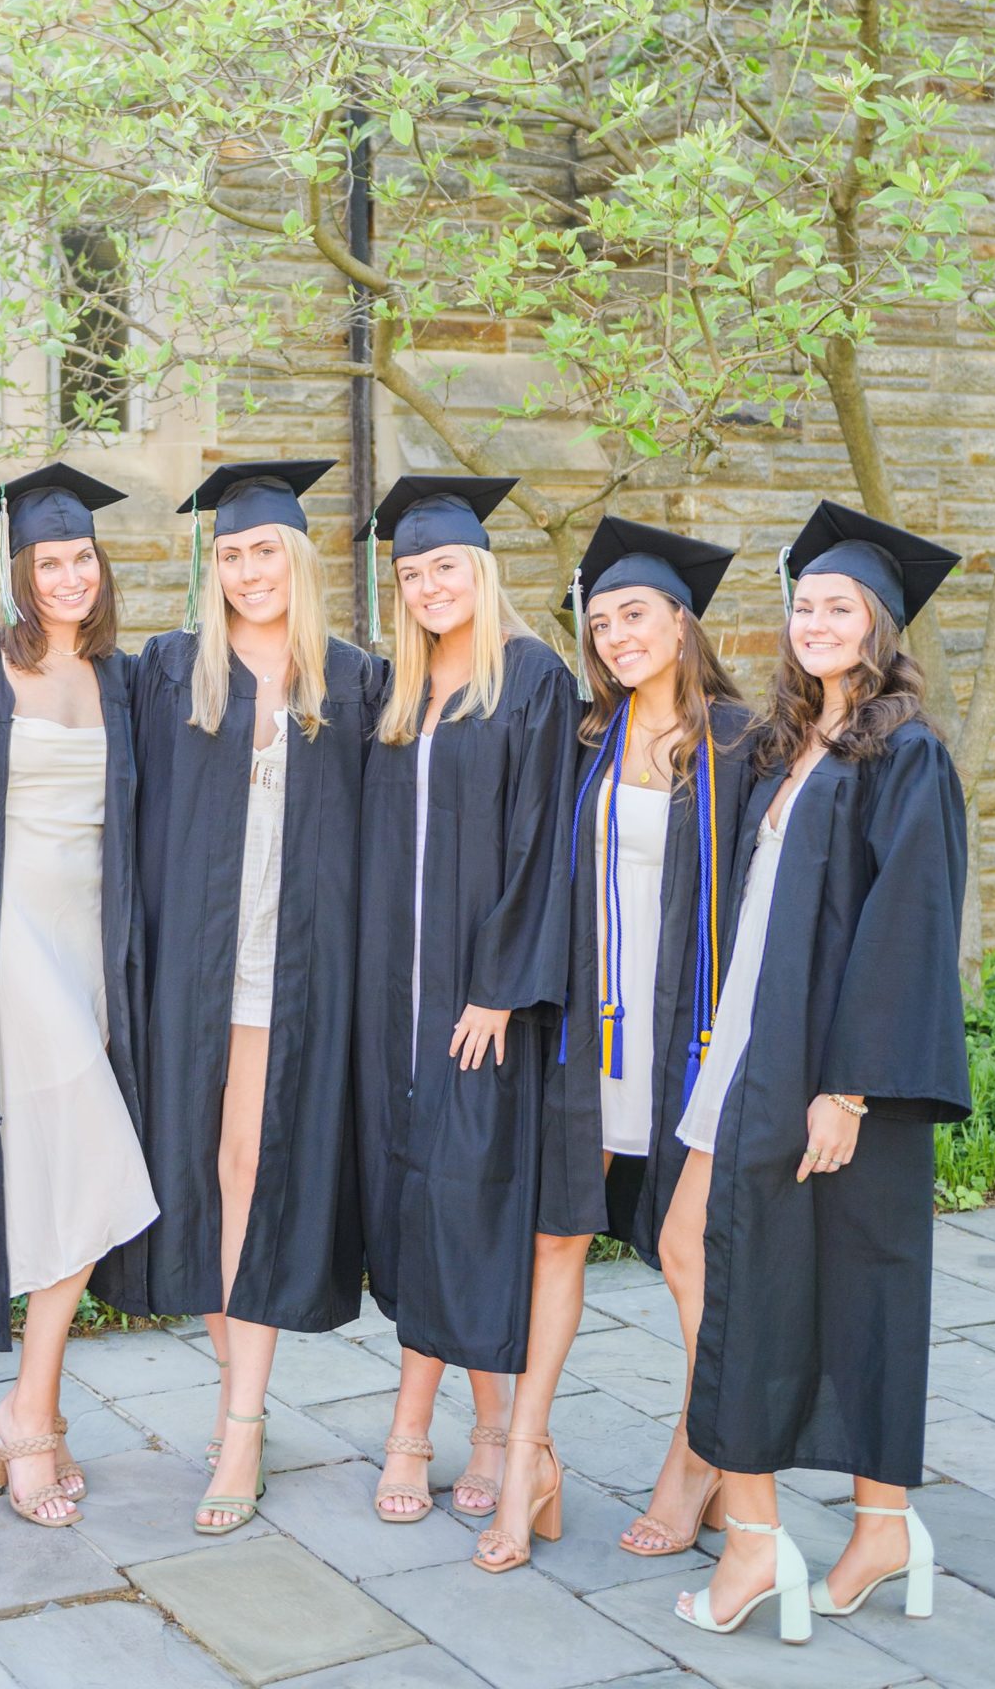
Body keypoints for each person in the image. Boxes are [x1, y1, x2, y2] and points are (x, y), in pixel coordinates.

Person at [666, 500, 970, 1645]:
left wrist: (846, 1086)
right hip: (752, 1045)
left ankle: (778, 1539)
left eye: (837, 606)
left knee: (813, 1271)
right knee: (741, 1256)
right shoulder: (790, 743)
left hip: (827, 1067)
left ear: (880, 623)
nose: (814, 622)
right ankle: (840, 1525)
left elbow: (908, 924)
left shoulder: (903, 753)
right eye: (801, 605)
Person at [477, 515, 754, 1573]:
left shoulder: (741, 742)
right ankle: (522, 1461)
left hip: (693, 1040)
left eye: (632, 615)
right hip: (590, 1042)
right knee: (553, 1238)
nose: (614, 637)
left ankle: (699, 1456)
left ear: (680, 622)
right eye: (598, 624)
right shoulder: (584, 739)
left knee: (690, 1259)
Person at [130, 459, 381, 1538]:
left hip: (306, 973)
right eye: (229, 553)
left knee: (255, 1169)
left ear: (299, 557)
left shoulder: (357, 680)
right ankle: (243, 1404)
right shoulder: (172, 670)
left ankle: (239, 1423)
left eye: (263, 550)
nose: (246, 570)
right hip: (204, 971)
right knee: (210, 1169)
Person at [354, 475, 577, 1536]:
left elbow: (544, 844)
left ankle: (435, 1427)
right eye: (408, 572)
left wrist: (497, 985)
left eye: (444, 565)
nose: (428, 584)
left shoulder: (530, 677)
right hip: (393, 1002)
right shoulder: (400, 690)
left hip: (477, 1003)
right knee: (412, 1205)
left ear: (480, 569)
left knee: (468, 1204)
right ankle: (479, 1432)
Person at [0, 464, 158, 1529]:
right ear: (18, 571)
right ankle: (28, 1415)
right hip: (6, 931)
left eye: (81, 557)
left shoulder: (128, 679)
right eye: (47, 561)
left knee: (65, 1163)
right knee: (93, 1141)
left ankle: (30, 1413)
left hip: (90, 934)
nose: (68, 575)